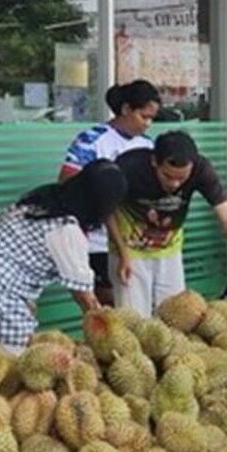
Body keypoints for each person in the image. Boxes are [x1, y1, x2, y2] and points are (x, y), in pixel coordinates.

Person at [0, 161, 127, 354]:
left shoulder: (46, 198)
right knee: (15, 356)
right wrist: (105, 332)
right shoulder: (66, 229)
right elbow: (83, 295)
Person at [109, 131, 227, 316]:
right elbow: (107, 210)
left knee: (175, 318)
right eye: (168, 176)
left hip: (169, 249)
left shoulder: (202, 170)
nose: (175, 185)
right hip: (129, 251)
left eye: (181, 179)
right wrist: (122, 252)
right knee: (133, 319)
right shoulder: (128, 167)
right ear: (154, 162)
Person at [60, 80, 161, 305]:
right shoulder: (92, 140)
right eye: (144, 116)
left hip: (137, 241)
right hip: (97, 241)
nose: (148, 124)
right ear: (126, 109)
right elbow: (67, 182)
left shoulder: (149, 146)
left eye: (152, 118)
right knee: (106, 309)